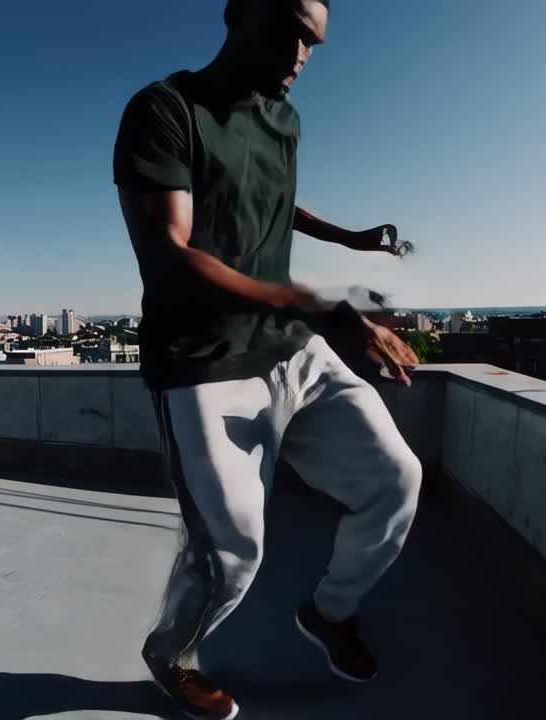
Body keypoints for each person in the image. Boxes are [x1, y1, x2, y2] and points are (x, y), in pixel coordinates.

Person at [111, 1, 422, 717]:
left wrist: (346, 239)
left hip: (289, 348)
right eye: (290, 33)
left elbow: (271, 196)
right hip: (204, 361)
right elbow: (169, 254)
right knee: (232, 554)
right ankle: (170, 653)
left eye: (312, 44)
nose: (301, 57)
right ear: (238, 12)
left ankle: (330, 612)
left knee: (395, 480)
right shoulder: (166, 110)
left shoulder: (285, 121)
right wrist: (314, 303)